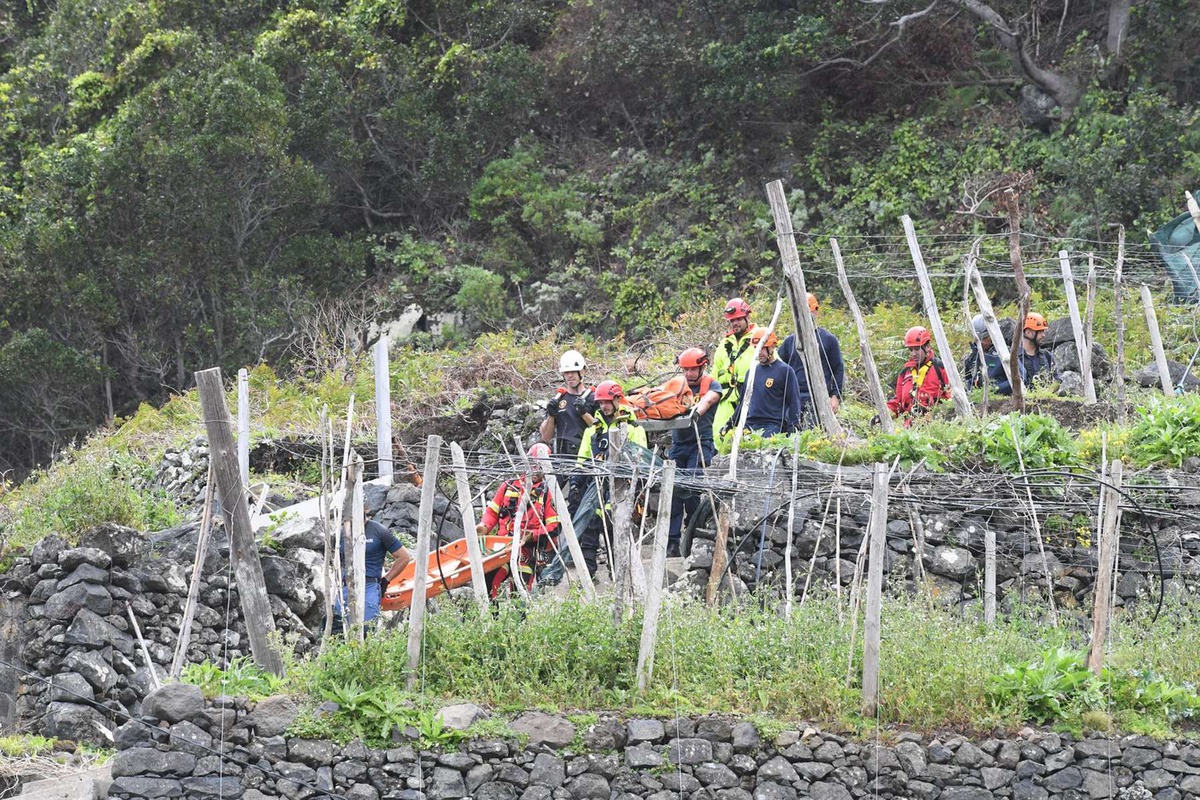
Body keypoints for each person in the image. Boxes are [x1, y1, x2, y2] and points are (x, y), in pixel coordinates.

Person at [573, 380, 648, 577]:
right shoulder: (593, 430)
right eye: (601, 402)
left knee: (615, 531)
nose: (604, 406)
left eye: (607, 402)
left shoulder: (633, 428)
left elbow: (640, 461)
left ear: (617, 400)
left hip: (620, 489)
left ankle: (618, 575)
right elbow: (582, 458)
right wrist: (575, 481)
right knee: (589, 530)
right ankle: (588, 576)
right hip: (595, 487)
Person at [476, 443, 562, 597]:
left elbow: (554, 527)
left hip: (527, 553)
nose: (535, 469)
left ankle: (519, 619)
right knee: (489, 584)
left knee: (520, 594)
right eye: (532, 464)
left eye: (540, 466)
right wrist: (484, 526)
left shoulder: (549, 491)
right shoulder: (509, 486)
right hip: (502, 549)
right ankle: (492, 618)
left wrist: (532, 535)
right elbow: (492, 513)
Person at [667, 348, 722, 557]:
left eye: (693, 369)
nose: (689, 373)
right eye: (686, 369)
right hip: (678, 444)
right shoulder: (677, 386)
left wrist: (694, 413)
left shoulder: (712, 385)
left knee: (691, 491)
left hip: (700, 443)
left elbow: (708, 400)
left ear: (702, 367)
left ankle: (691, 537)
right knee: (673, 493)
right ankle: (672, 542)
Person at [777, 292, 844, 427]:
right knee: (791, 435)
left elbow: (838, 369)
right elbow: (777, 370)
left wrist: (835, 397)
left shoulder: (828, 340)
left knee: (812, 434)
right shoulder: (789, 342)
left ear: (815, 312)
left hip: (818, 397)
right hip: (793, 398)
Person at [336, 510, 412, 627]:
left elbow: (404, 557)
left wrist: (386, 579)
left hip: (369, 586)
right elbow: (339, 562)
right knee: (338, 627)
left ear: (365, 509)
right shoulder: (342, 533)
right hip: (346, 586)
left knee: (366, 627)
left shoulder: (378, 530)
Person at [739, 326, 801, 436]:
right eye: (756, 348)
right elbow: (742, 403)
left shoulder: (785, 371)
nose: (758, 352)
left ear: (772, 346)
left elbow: (794, 402)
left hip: (773, 425)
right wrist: (731, 422)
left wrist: (794, 427)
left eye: (762, 347)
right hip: (750, 425)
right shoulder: (751, 372)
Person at [711, 297, 756, 440]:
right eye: (732, 321)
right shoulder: (724, 345)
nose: (735, 323)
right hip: (726, 399)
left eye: (739, 319)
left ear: (747, 317)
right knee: (719, 435)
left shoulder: (759, 338)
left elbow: (775, 366)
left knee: (750, 438)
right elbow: (714, 374)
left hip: (751, 398)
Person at [886, 326, 950, 422]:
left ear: (927, 347)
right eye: (910, 350)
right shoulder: (905, 372)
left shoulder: (940, 368)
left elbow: (952, 399)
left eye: (917, 349)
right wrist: (884, 414)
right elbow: (897, 402)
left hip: (935, 427)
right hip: (909, 430)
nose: (913, 354)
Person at [539, 349, 596, 458]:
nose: (570, 375)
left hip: (586, 455)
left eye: (573, 371)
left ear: (582, 371)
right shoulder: (559, 399)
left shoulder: (592, 398)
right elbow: (546, 437)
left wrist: (584, 413)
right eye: (566, 372)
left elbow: (600, 429)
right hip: (562, 456)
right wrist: (551, 415)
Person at [963, 314, 1015, 396]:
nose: (981, 342)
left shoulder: (1004, 354)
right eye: (978, 339)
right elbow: (969, 381)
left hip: (1004, 401)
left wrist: (994, 390)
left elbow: (1019, 379)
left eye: (984, 338)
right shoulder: (972, 358)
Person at [1019, 312, 1056, 387]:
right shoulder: (1013, 357)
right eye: (1040, 332)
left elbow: (1056, 378)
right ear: (1028, 332)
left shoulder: (1047, 356)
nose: (1043, 335)